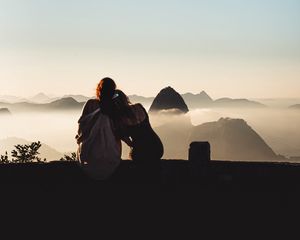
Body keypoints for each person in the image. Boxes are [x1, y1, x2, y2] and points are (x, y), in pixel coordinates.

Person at [111, 89, 164, 182]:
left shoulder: (119, 120)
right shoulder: (139, 107)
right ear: (125, 98)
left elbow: (129, 142)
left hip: (141, 153)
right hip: (157, 147)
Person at [76, 77, 121, 180]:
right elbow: (118, 132)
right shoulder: (114, 107)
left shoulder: (90, 104)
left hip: (90, 156)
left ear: (99, 89)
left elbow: (81, 128)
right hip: (111, 157)